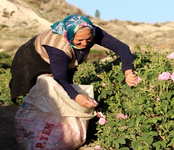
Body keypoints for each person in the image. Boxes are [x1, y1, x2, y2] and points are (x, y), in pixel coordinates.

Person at [9, 14, 138, 108]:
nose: (85, 43)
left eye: (88, 39)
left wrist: (128, 71)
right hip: (30, 58)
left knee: (62, 94)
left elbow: (122, 48)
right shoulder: (58, 47)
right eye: (79, 41)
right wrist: (77, 97)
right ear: (69, 37)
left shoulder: (90, 30)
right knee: (27, 93)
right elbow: (60, 77)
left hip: (61, 58)